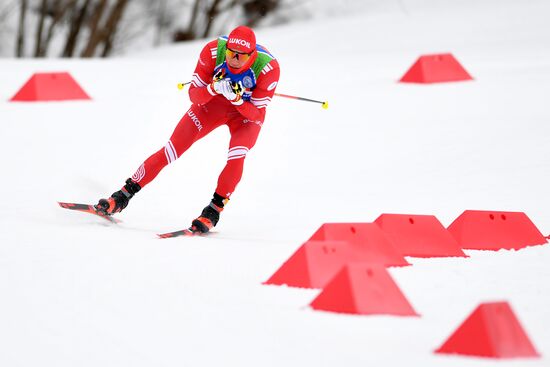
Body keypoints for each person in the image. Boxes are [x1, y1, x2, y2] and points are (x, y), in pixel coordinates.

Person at [94, 25, 280, 233]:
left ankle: (213, 210)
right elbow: (194, 95)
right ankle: (121, 196)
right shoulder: (212, 51)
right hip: (212, 106)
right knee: (172, 149)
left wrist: (237, 99)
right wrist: (213, 88)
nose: (234, 60)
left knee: (237, 154)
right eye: (231, 53)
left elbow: (255, 114)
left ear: (252, 55)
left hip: (243, 116)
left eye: (241, 57)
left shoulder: (268, 68)